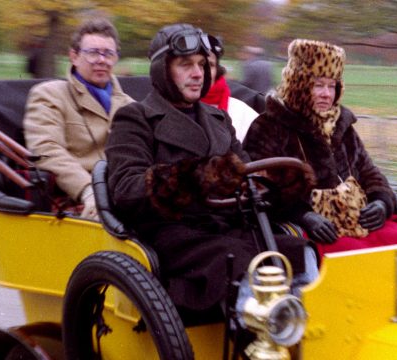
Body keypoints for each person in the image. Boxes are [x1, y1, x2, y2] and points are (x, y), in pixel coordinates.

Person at [105, 24, 316, 315]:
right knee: (241, 262)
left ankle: (308, 336)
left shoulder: (218, 118)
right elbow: (126, 190)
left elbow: (247, 174)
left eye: (203, 65)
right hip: (172, 236)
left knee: (297, 252)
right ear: (162, 71)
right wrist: (197, 177)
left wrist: (284, 185)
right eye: (186, 65)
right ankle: (260, 339)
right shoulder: (135, 118)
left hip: (227, 226)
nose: (197, 73)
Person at [244, 39, 397, 258]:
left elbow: (368, 171)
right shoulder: (268, 126)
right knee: (351, 254)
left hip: (353, 216)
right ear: (299, 84)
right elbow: (261, 190)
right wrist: (304, 215)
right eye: (318, 85)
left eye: (332, 85)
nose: (327, 94)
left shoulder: (341, 124)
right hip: (308, 225)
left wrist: (382, 201)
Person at [23, 18, 134, 220]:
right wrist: (88, 190)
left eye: (108, 53)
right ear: (74, 56)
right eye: (92, 53)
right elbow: (47, 149)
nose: (102, 60)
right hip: (78, 200)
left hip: (126, 194)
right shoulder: (49, 95)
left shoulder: (129, 105)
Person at [201, 35, 258, 142]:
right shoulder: (165, 113)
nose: (199, 72)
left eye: (210, 65)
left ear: (217, 70)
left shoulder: (242, 112)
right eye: (187, 64)